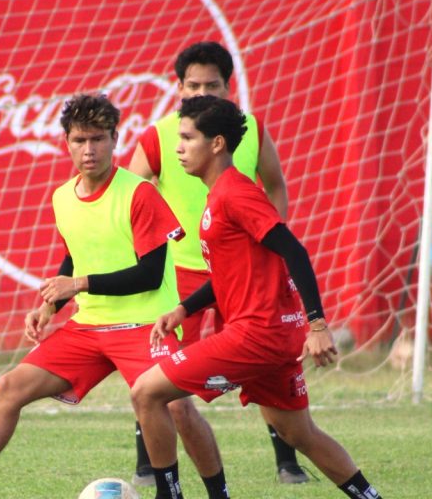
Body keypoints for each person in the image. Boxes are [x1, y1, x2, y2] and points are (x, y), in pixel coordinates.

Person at [0, 94, 229, 499]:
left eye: (98, 139)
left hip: (146, 327)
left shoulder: (139, 193)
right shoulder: (62, 198)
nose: (89, 150)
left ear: (115, 138)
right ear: (66, 142)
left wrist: (80, 284)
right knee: (9, 388)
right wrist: (49, 304)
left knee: (175, 406)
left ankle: (199, 494)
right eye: (78, 140)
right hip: (88, 329)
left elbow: (150, 273)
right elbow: (75, 255)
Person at [130, 95, 383, 499]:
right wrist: (184, 307)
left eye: (187, 137)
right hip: (273, 335)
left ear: (216, 144)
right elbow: (230, 276)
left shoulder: (235, 193)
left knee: (146, 391)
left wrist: (318, 324)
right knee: (298, 432)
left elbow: (293, 250)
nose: (178, 147)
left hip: (255, 335)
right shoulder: (219, 196)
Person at [127, 41, 306, 485]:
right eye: (193, 85)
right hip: (181, 276)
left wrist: (267, 235)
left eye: (211, 84)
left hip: (241, 275)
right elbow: (132, 195)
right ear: (179, 86)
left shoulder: (247, 130)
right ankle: (149, 463)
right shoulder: (161, 134)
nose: (201, 91)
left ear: (228, 86)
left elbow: (276, 185)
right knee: (163, 373)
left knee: (259, 359)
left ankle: (286, 457)